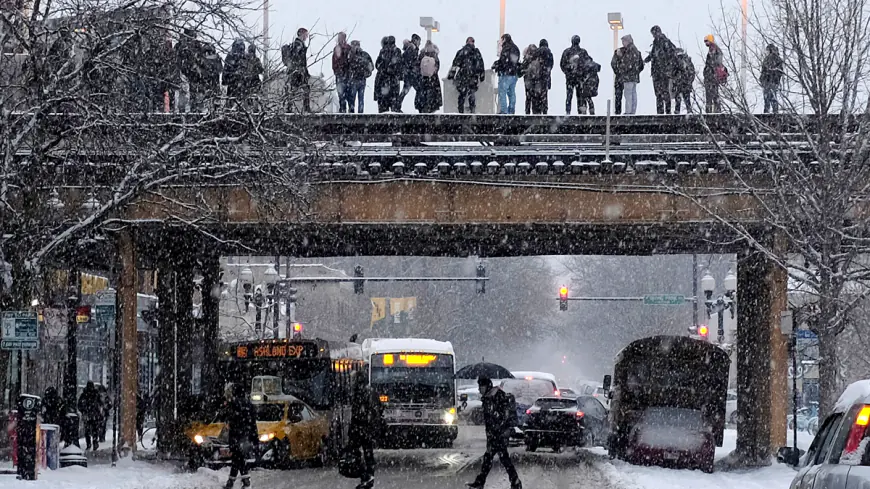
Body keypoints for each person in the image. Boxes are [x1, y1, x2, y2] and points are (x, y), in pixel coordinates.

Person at [466, 376, 521, 489]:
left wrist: (496, 421)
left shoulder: (498, 396)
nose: (479, 389)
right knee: (497, 458)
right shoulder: (487, 397)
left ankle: (482, 482)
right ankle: (514, 482)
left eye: (480, 386)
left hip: (499, 433)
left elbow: (501, 416)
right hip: (493, 434)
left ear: (487, 386)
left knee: (494, 458)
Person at [347, 371, 383, 489]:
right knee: (368, 453)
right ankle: (369, 476)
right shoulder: (371, 392)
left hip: (359, 428)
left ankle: (365, 476)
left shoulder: (358, 393)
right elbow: (379, 409)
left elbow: (357, 413)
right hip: (367, 429)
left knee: (356, 453)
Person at [225, 383, 258, 489]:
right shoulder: (249, 405)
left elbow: (231, 422)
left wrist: (231, 440)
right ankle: (233, 482)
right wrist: (254, 437)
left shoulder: (233, 404)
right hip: (246, 436)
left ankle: (244, 481)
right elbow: (253, 422)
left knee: (238, 458)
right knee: (238, 458)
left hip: (236, 436)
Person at [645, 25, 678, 114]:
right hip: (657, 72)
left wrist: (667, 65)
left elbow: (672, 53)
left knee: (665, 92)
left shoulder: (665, 42)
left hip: (663, 72)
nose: (653, 36)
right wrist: (647, 59)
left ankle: (667, 112)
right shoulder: (656, 43)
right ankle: (660, 113)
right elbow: (653, 55)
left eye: (654, 34)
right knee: (658, 94)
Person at [448, 37, 486, 114]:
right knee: (471, 93)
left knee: (462, 94)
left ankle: (461, 112)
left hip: (462, 76)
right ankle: (472, 111)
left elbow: (455, 64)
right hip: (473, 77)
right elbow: (481, 65)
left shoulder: (461, 52)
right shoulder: (476, 52)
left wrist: (451, 75)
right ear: (473, 43)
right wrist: (482, 76)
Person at [611, 34, 644, 115]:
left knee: (628, 94)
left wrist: (620, 69)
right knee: (633, 93)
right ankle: (632, 111)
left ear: (628, 41)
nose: (622, 43)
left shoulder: (629, 51)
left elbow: (626, 64)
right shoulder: (637, 51)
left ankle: (628, 111)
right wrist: (636, 72)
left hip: (627, 77)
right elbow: (641, 65)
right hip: (634, 77)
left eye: (623, 41)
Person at [560, 35, 592, 115]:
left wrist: (568, 72)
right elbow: (589, 63)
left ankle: (568, 112)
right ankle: (580, 112)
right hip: (580, 78)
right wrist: (583, 74)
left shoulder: (567, 52)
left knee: (569, 96)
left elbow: (562, 64)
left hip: (570, 78)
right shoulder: (583, 52)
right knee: (580, 97)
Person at [282, 28, 311, 112]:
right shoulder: (298, 44)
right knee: (304, 89)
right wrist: (301, 69)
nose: (306, 36)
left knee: (294, 89)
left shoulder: (297, 44)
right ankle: (305, 108)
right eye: (306, 34)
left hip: (296, 71)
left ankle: (289, 107)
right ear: (301, 34)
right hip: (298, 71)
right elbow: (298, 58)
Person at [492, 33, 521, 114]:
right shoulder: (516, 48)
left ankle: (504, 110)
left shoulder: (506, 48)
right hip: (514, 74)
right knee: (511, 92)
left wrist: (497, 65)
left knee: (502, 91)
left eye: (501, 40)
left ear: (504, 39)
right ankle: (511, 110)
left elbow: (503, 61)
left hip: (506, 73)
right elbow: (516, 61)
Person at [375, 36, 403, 113]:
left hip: (384, 81)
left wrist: (384, 70)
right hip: (393, 81)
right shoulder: (397, 51)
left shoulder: (383, 51)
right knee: (394, 105)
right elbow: (399, 66)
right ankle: (395, 121)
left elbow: (377, 65)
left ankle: (384, 122)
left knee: (383, 106)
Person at [415, 40, 442, 114]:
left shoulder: (421, 54)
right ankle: (430, 108)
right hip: (433, 79)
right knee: (432, 95)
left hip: (423, 79)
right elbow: (437, 67)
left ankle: (422, 107)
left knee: (422, 94)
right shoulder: (434, 55)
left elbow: (417, 66)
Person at [347, 40, 373, 113]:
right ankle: (360, 113)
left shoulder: (350, 55)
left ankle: (352, 113)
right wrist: (367, 73)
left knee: (353, 97)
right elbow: (371, 66)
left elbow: (347, 66)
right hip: (361, 79)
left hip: (355, 79)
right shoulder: (364, 55)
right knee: (360, 98)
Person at [520, 44, 547, 114]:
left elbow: (521, 70)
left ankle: (528, 112)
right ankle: (537, 113)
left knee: (528, 98)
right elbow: (543, 70)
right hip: (537, 81)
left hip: (528, 81)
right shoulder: (539, 59)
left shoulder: (527, 59)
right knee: (536, 98)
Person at [703, 34, 726, 113]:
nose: (705, 43)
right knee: (715, 95)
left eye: (706, 41)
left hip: (711, 76)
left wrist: (708, 72)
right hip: (713, 76)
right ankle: (717, 110)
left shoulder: (713, 49)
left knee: (710, 95)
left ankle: (711, 111)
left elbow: (713, 63)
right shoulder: (716, 49)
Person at [77, 382, 103, 452]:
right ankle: (94, 442)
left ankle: (89, 444)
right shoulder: (96, 394)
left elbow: (79, 405)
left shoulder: (84, 394)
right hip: (94, 415)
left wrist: (83, 411)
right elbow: (101, 403)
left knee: (87, 431)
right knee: (95, 430)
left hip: (87, 415)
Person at [399, 34, 422, 107]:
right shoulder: (412, 48)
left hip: (408, 73)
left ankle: (397, 105)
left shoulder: (410, 48)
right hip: (411, 74)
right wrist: (414, 66)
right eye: (419, 41)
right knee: (419, 89)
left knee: (405, 90)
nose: (420, 43)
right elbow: (409, 61)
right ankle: (419, 105)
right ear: (415, 40)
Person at [223, 39, 247, 106]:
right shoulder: (243, 57)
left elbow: (225, 70)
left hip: (236, 84)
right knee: (235, 103)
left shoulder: (232, 56)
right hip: (236, 84)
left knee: (233, 103)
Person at [761, 44, 783, 114]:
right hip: (771, 81)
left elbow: (765, 70)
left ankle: (769, 113)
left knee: (769, 98)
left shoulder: (772, 58)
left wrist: (764, 77)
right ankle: (773, 112)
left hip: (770, 80)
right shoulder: (776, 58)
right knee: (771, 98)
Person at [333, 32, 352, 113]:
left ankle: (347, 111)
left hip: (345, 75)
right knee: (343, 96)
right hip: (342, 74)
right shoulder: (339, 48)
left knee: (347, 95)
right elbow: (334, 62)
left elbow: (351, 61)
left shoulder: (347, 48)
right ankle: (344, 111)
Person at [673, 48, 696, 114]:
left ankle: (679, 111)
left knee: (681, 98)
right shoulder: (687, 60)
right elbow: (692, 73)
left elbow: (673, 73)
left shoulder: (678, 61)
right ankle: (688, 111)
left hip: (682, 83)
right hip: (684, 83)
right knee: (685, 98)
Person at [537, 39, 554, 114]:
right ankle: (545, 110)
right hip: (546, 76)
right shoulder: (549, 53)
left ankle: (538, 110)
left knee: (537, 93)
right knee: (544, 93)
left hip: (537, 75)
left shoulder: (537, 52)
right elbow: (551, 64)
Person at [244, 44, 264, 109]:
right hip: (249, 83)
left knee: (254, 100)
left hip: (253, 83)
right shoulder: (246, 59)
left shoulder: (255, 60)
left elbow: (260, 70)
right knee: (249, 100)